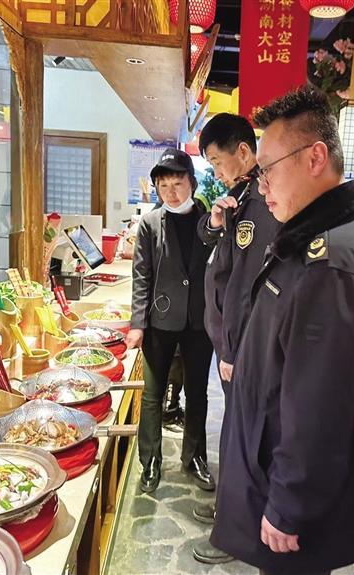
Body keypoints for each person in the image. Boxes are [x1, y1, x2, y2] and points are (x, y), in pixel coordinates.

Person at [210, 86, 354, 574]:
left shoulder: (329, 261)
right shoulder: (311, 235)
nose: (260, 184)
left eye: (267, 168)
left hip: (287, 487)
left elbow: (321, 400)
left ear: (315, 158)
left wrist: (290, 503)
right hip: (269, 459)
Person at [191, 113, 280, 565]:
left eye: (216, 161)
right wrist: (215, 219)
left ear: (243, 151)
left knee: (243, 441)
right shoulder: (241, 194)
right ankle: (229, 511)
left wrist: (231, 350)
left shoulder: (263, 202)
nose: (216, 170)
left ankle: (235, 531)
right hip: (230, 340)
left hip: (242, 347)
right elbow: (217, 248)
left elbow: (247, 286)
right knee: (232, 433)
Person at [126, 148, 215, 493]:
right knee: (152, 395)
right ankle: (150, 461)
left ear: (191, 182)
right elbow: (141, 275)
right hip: (159, 322)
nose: (171, 192)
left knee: (197, 393)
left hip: (199, 321)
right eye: (163, 186)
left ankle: (195, 457)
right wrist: (137, 323)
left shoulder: (209, 220)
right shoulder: (150, 223)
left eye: (177, 183)